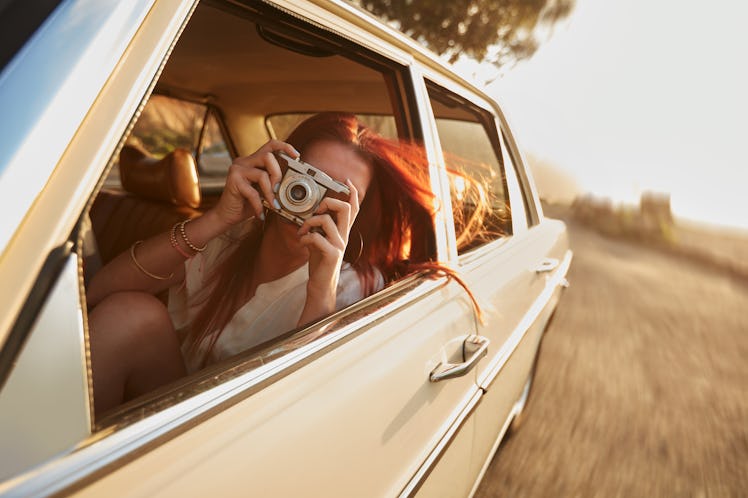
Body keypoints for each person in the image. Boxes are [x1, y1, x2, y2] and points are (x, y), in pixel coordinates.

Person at [86, 112, 446, 415]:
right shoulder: (229, 238)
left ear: (359, 215)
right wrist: (214, 220)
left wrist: (321, 287)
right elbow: (99, 294)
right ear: (278, 170)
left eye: (338, 195)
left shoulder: (356, 288)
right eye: (306, 179)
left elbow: (307, 412)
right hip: (169, 408)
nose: (312, 201)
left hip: (248, 435)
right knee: (129, 313)